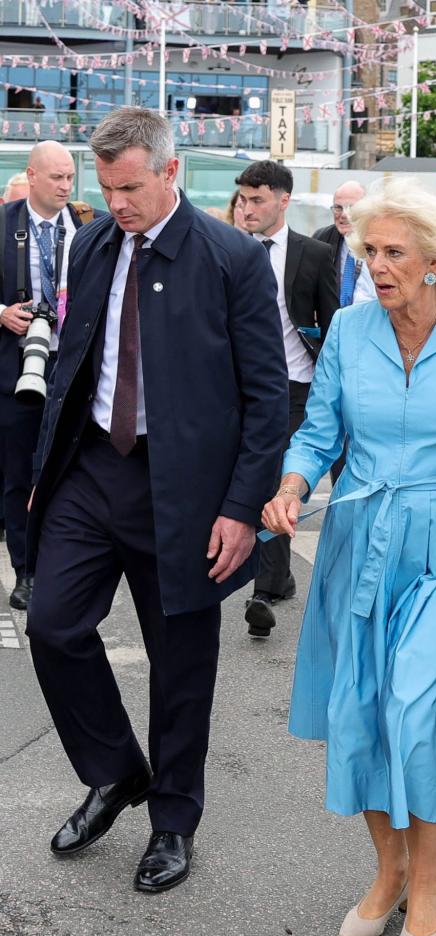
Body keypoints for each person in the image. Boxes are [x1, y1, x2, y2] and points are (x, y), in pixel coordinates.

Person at [261, 177, 436, 936]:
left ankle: (431, 875)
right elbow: (318, 432)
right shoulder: (347, 329)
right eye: (367, 250)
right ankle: (386, 873)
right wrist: (290, 485)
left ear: (432, 262)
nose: (375, 265)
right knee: (365, 708)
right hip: (361, 536)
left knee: (416, 707)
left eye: (391, 252)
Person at [26, 108, 287, 893]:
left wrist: (242, 508)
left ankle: (172, 820)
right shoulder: (97, 241)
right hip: (93, 471)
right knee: (52, 623)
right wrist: (43, 470)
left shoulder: (232, 259)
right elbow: (75, 365)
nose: (117, 204)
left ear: (171, 172)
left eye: (131, 187)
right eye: (106, 188)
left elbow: (267, 396)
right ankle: (115, 772)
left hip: (187, 496)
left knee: (180, 669)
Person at [235, 160, 338, 640]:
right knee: (250, 481)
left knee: (280, 482)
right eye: (242, 199)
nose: (247, 208)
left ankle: (265, 588)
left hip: (297, 388)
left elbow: (332, 322)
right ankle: (276, 578)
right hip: (238, 389)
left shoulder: (313, 255)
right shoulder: (228, 249)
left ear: (282, 200)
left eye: (257, 200)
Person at [0, 141, 90, 611]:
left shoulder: (87, 227)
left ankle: (60, 567)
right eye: (56, 177)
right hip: (14, 369)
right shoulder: (3, 222)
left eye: (70, 177)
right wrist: (1, 313)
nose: (65, 186)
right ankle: (25, 571)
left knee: (67, 473)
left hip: (70, 369)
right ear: (31, 176)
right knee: (19, 474)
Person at [313, 181, 376, 307]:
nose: (343, 215)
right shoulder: (321, 240)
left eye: (351, 208)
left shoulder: (380, 241)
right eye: (338, 208)